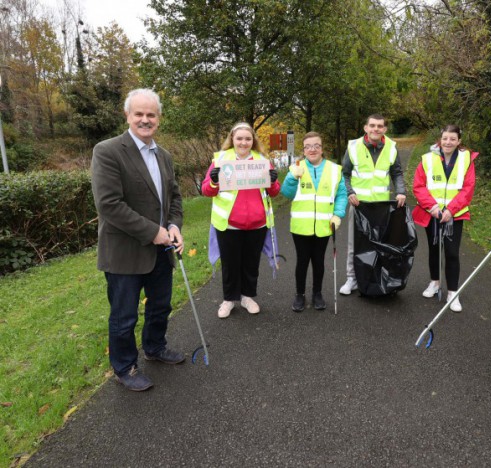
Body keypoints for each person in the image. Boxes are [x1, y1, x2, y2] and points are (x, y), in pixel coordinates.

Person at [91, 88, 185, 392]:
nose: (145, 120)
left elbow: (174, 197)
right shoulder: (107, 151)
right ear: (128, 116)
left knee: (160, 306)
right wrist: (153, 231)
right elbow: (109, 205)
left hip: (161, 249)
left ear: (158, 118)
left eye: (151, 115)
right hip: (124, 252)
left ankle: (155, 348)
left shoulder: (164, 156)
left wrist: (173, 226)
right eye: (139, 114)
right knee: (124, 316)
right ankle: (124, 366)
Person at [201, 122, 280, 318]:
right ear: (232, 140)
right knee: (230, 264)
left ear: (253, 140)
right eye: (239, 138)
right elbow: (206, 190)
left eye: (248, 138)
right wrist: (213, 180)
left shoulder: (262, 160)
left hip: (257, 224)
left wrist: (272, 180)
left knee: (251, 264)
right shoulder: (220, 160)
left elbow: (274, 191)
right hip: (229, 224)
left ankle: (247, 297)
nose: (243, 142)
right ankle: (228, 300)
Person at [411, 125, 477, 311]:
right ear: (440, 139)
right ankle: (435, 282)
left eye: (452, 139)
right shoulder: (427, 159)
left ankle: (453, 293)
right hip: (432, 213)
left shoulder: (466, 160)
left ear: (459, 141)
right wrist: (432, 207)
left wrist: (451, 210)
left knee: (452, 252)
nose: (448, 142)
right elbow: (419, 186)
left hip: (454, 216)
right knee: (433, 249)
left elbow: (468, 188)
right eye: (445, 138)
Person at [339, 114, 407, 295]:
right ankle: (352, 278)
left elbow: (397, 173)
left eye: (379, 126)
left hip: (381, 205)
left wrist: (401, 191)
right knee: (355, 243)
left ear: (384, 129)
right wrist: (350, 192)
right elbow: (344, 174)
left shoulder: (391, 147)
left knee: (379, 242)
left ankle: (375, 276)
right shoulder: (353, 147)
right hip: (359, 204)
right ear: (365, 128)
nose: (376, 129)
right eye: (372, 126)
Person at [281, 132, 348, 311]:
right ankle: (299, 295)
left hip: (324, 226)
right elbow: (286, 193)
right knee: (302, 261)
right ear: (303, 150)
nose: (312, 149)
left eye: (316, 146)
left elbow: (342, 194)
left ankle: (317, 293)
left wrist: (338, 214)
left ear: (322, 148)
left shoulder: (335, 169)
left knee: (319, 261)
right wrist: (291, 177)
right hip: (300, 227)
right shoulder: (296, 167)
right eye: (308, 146)